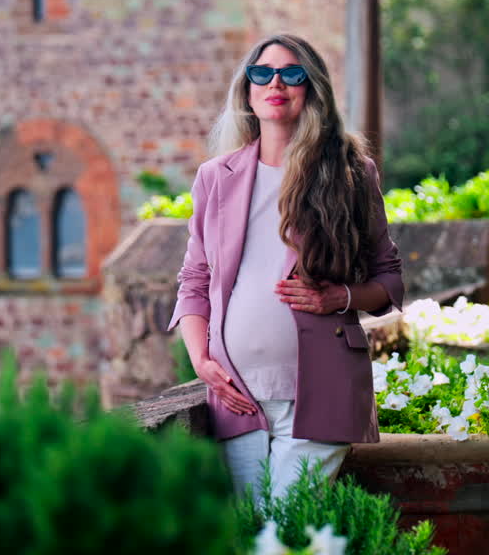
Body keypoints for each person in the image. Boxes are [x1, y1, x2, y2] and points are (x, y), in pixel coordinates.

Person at [168, 32, 404, 502]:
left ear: (311, 88)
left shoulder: (352, 173)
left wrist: (341, 297)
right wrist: (202, 361)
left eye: (291, 73)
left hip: (322, 388)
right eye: (262, 73)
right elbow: (194, 281)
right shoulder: (216, 178)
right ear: (248, 91)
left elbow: (389, 277)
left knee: (287, 532)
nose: (276, 82)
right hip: (237, 396)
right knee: (255, 537)